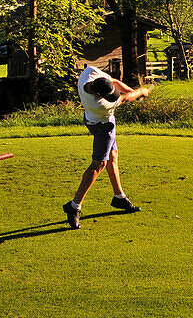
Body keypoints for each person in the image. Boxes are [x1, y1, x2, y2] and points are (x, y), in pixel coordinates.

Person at [63, 65, 153, 229]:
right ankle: (74, 206)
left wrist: (133, 91)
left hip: (91, 119)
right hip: (102, 126)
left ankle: (119, 197)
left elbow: (114, 82)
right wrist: (141, 92)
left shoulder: (89, 73)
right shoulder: (100, 104)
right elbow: (125, 99)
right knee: (99, 164)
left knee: (113, 156)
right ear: (98, 95)